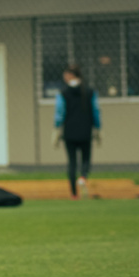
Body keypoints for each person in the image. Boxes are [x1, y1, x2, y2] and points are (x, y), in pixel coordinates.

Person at [53, 64, 102, 199]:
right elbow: (96, 110)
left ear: (70, 75)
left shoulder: (63, 93)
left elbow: (59, 112)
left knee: (72, 161)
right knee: (86, 158)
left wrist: (57, 128)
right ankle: (83, 177)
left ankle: (74, 193)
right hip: (86, 130)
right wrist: (97, 127)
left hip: (69, 131)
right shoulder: (89, 91)